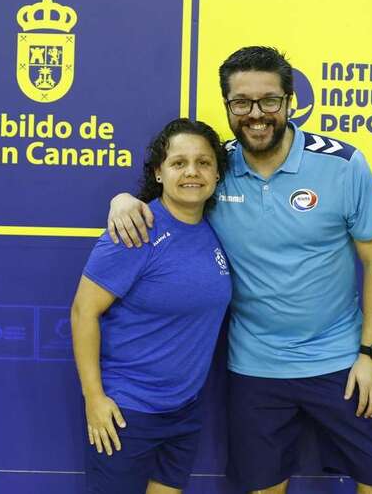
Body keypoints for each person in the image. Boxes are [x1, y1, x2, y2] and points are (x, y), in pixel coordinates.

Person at [108, 47, 372, 494]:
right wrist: (124, 200)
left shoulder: (343, 165)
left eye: (269, 101)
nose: (255, 114)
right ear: (228, 106)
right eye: (241, 103)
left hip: (342, 361)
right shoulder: (215, 168)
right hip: (255, 368)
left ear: (290, 101)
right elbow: (168, 197)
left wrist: (370, 355)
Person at [71, 118, 232, 494]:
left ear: (218, 174)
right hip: (127, 413)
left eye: (204, 162)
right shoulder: (135, 229)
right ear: (159, 172)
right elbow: (83, 312)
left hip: (184, 412)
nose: (192, 171)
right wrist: (94, 399)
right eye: (179, 163)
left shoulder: (215, 229)